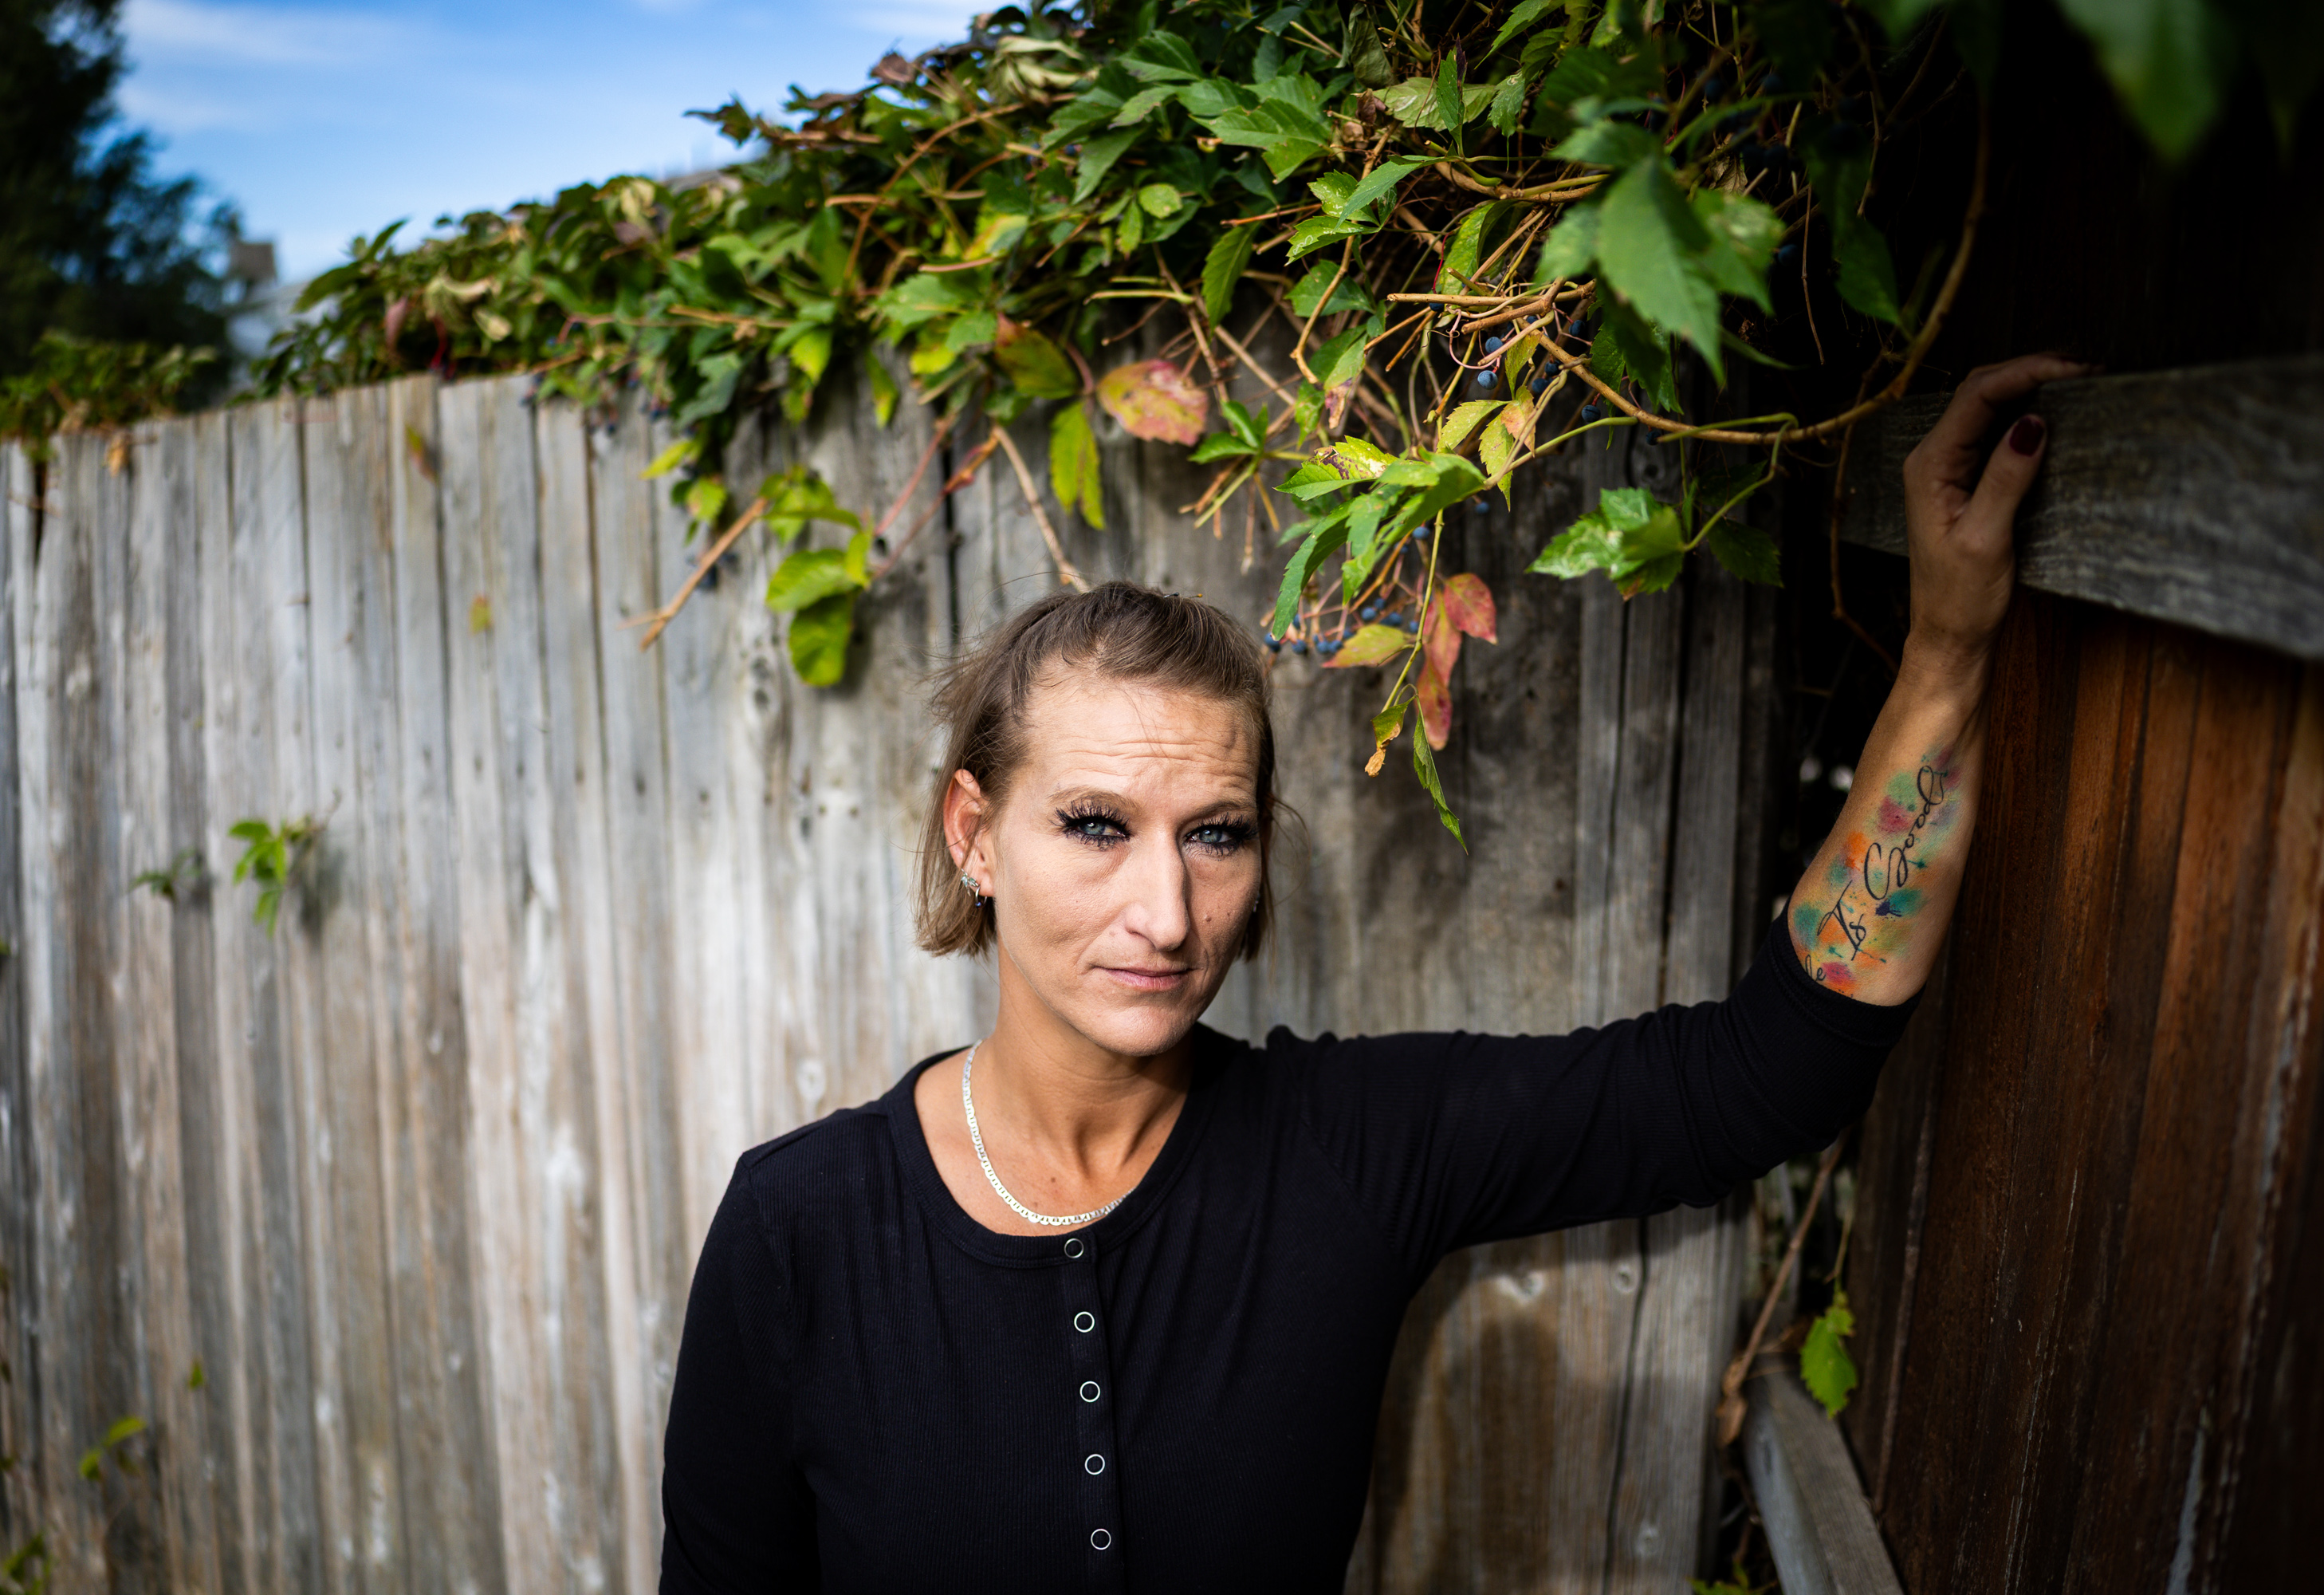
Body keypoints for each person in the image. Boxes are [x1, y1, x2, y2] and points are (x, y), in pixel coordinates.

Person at [657, 353, 2090, 1593]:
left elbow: (1763, 1075)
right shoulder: (800, 1231)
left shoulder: (1346, 1151)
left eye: (1215, 836)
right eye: (1096, 826)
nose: (1166, 911)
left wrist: (1948, 653)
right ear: (977, 834)